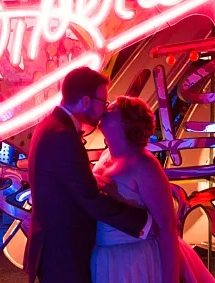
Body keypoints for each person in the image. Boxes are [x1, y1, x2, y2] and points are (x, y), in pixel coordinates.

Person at [24, 68, 152, 283]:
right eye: (102, 101)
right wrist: (144, 221)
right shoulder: (63, 135)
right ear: (85, 101)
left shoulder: (50, 126)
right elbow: (89, 198)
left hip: (56, 246)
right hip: (64, 251)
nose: (104, 110)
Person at [92, 96, 215, 283]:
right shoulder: (105, 156)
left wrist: (170, 279)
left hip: (136, 260)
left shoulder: (144, 164)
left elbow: (167, 227)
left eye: (112, 109)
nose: (105, 110)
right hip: (106, 258)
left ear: (126, 122)